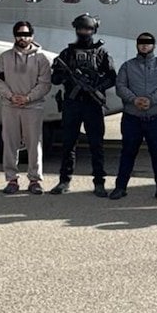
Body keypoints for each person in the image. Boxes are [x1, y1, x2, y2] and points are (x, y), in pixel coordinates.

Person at [50, 13, 117, 197]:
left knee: (96, 145)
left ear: (93, 30)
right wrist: (65, 75)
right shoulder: (67, 53)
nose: (84, 32)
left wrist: (96, 88)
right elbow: (55, 79)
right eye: (81, 29)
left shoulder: (101, 53)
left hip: (93, 104)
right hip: (72, 104)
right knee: (68, 144)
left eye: (88, 29)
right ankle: (64, 181)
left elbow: (112, 77)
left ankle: (99, 182)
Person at [111, 32, 157, 201]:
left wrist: (151, 100)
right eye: (141, 42)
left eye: (148, 42)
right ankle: (120, 187)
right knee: (127, 153)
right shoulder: (127, 66)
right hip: (132, 118)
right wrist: (134, 100)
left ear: (154, 45)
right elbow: (120, 86)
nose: (144, 45)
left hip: (156, 118)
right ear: (137, 45)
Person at [0, 21, 53, 195]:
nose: (23, 38)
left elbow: (45, 83)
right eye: (19, 34)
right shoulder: (5, 57)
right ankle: (12, 179)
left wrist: (28, 97)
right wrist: (10, 96)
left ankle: (35, 180)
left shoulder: (41, 59)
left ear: (32, 36)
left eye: (26, 35)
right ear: (15, 36)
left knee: (34, 144)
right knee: (10, 143)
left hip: (33, 107)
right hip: (10, 106)